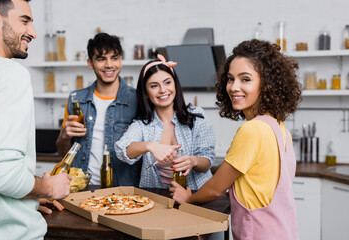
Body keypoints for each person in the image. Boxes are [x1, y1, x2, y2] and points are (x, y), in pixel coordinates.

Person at [170, 39, 301, 239]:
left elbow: (215, 188)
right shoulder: (278, 127)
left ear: (267, 84)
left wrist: (189, 198)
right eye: (230, 79)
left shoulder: (253, 130)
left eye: (245, 79)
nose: (234, 87)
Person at [0, 0, 72, 239]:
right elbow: (0, 173)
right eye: (24, 21)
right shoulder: (9, 73)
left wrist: (30, 194)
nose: (33, 33)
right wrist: (49, 187)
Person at [115, 54, 215, 190]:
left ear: (175, 84)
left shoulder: (197, 116)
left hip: (197, 195)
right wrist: (150, 146)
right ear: (145, 92)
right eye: (154, 86)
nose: (163, 90)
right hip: (158, 200)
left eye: (167, 82)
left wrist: (193, 161)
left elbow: (207, 161)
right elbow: (122, 150)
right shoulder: (142, 125)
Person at [56, 33, 141, 186]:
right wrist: (64, 136)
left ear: (121, 60)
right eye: (101, 59)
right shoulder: (76, 100)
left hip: (123, 192)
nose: (109, 65)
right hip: (83, 188)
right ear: (90, 63)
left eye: (114, 58)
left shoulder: (138, 100)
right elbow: (63, 153)